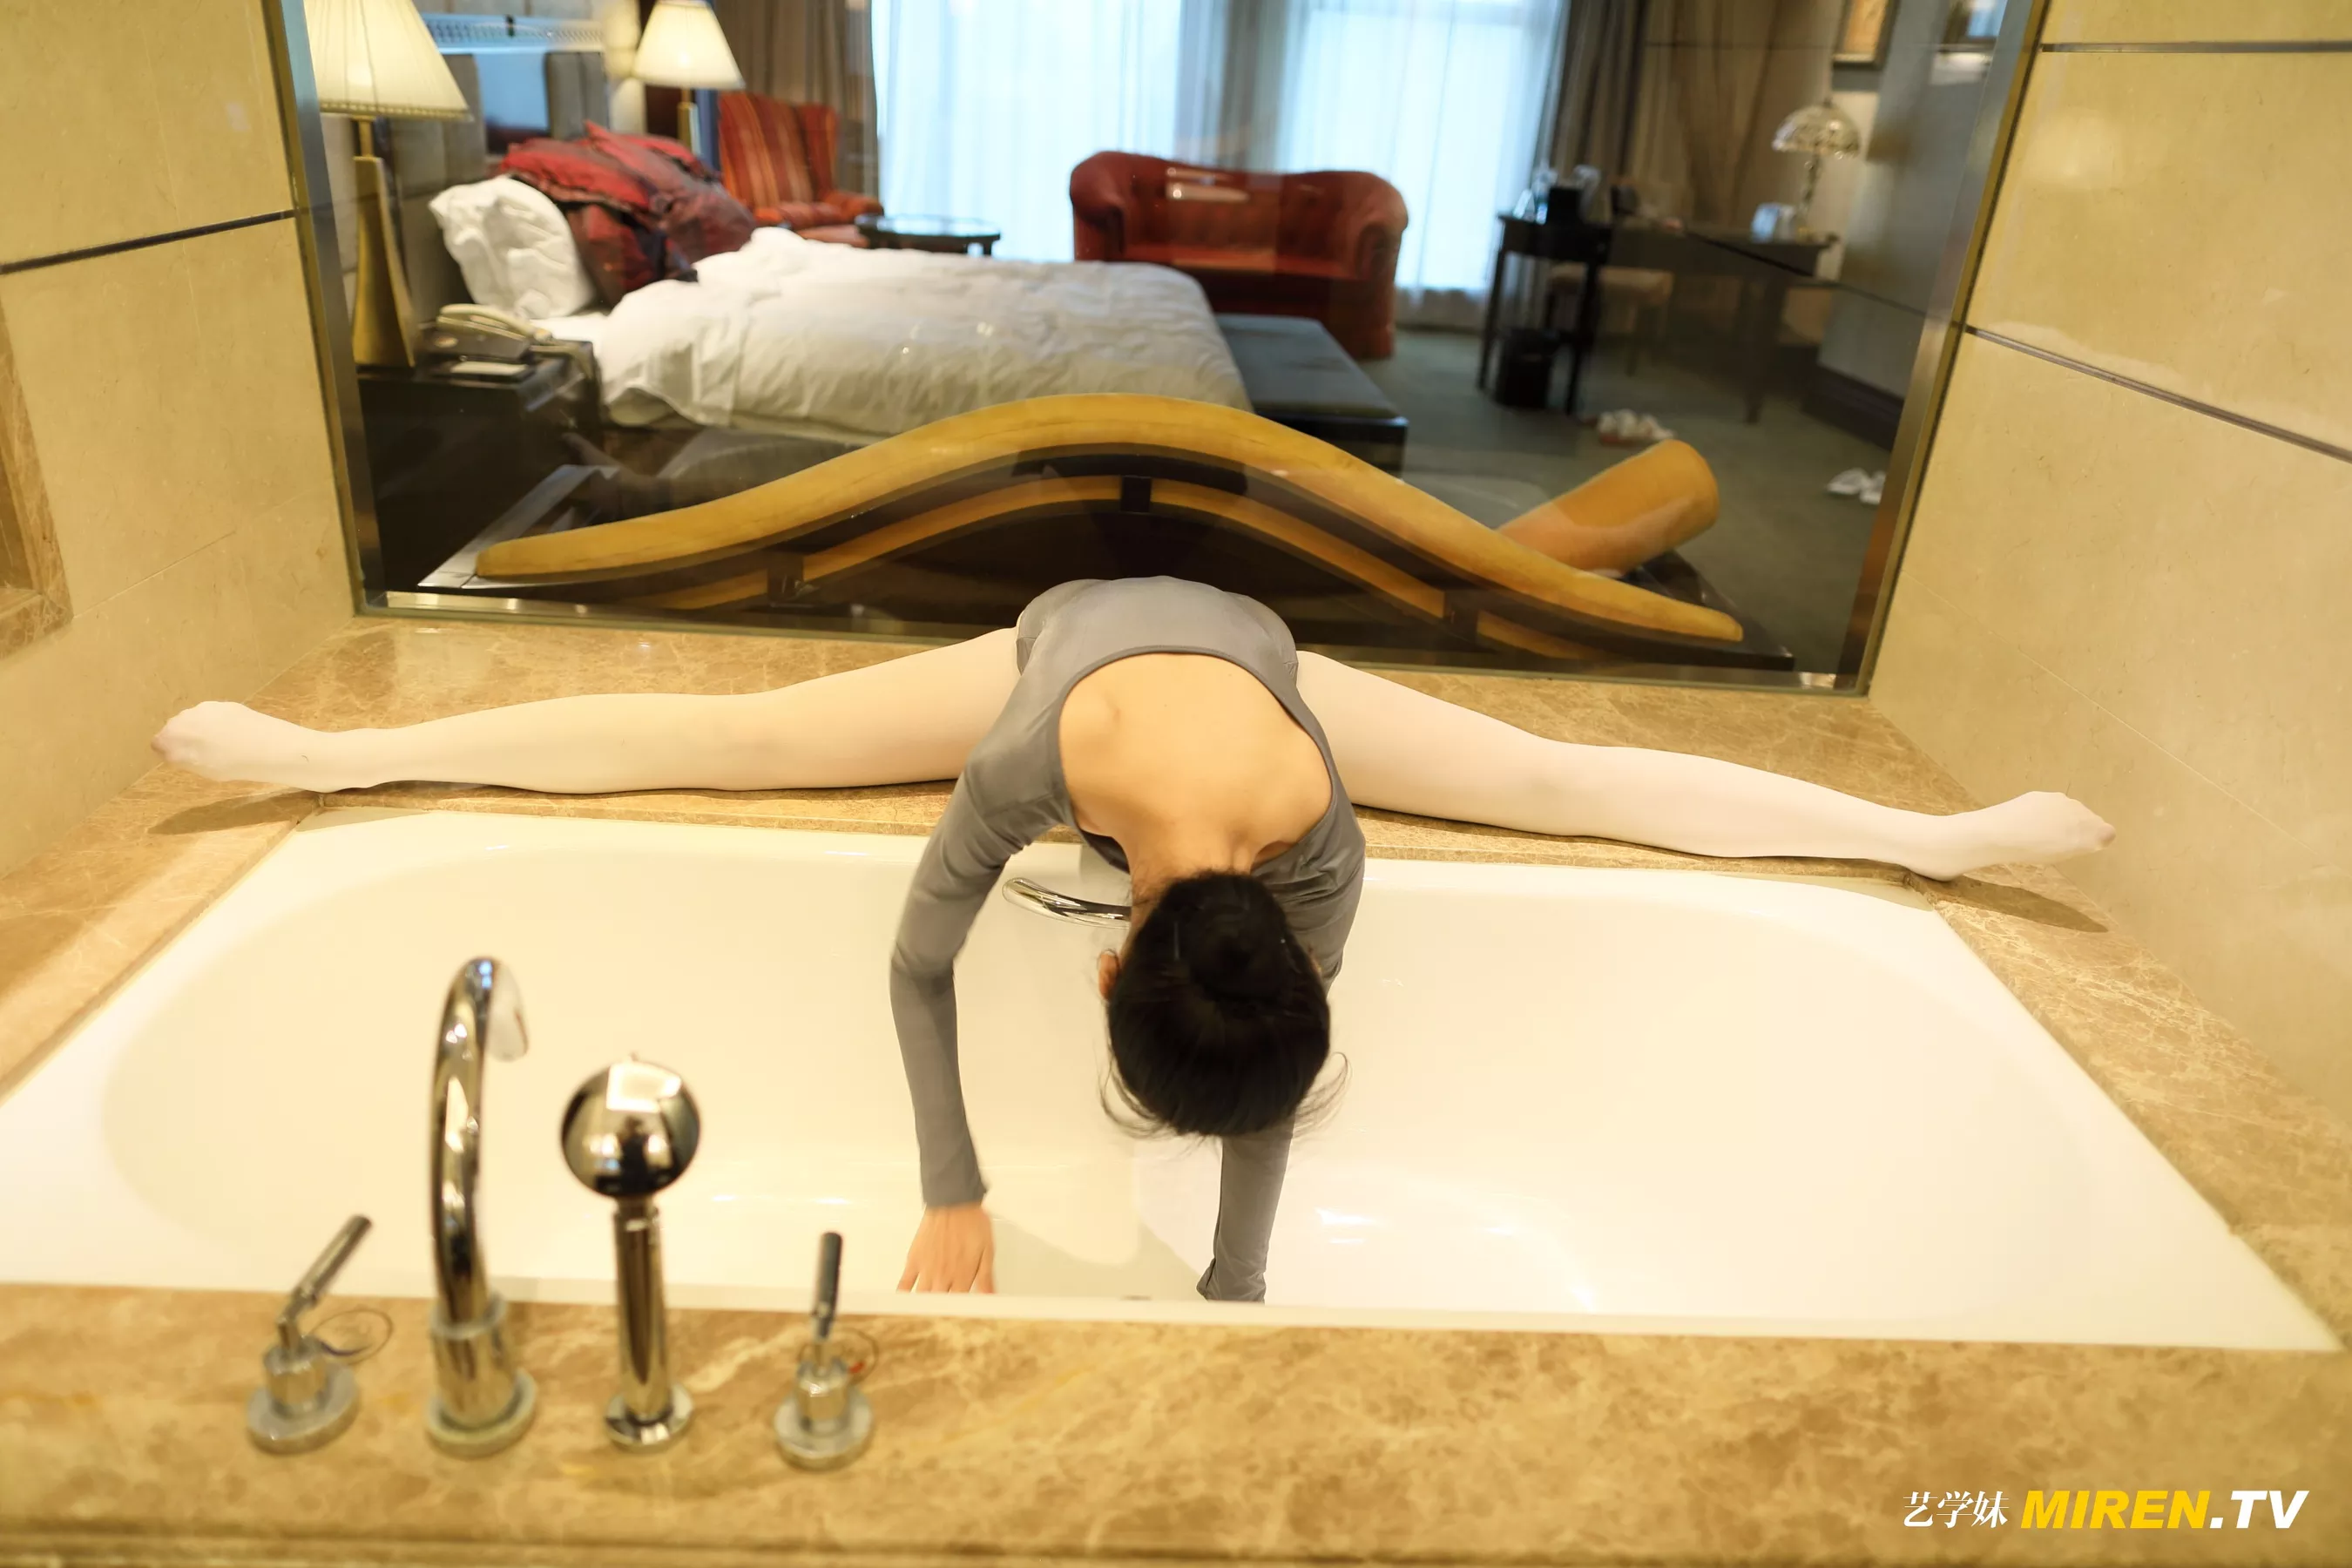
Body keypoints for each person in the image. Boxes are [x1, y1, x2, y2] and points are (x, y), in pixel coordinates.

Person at [152, 577, 2113, 1301]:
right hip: (1064, 651)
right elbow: (915, 963)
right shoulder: (1024, 770)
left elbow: (1267, 1072)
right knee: (743, 738)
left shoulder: (1323, 846)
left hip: (1270, 681)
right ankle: (334, 762)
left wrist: (1238, 1297)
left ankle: (1936, 848)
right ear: (1108, 952)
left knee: (1550, 778)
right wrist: (953, 1186)